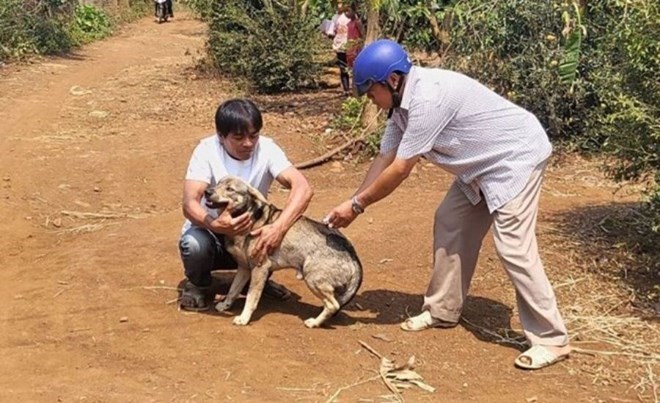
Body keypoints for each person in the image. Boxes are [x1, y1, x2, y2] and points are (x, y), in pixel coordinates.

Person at [324, 39, 571, 370]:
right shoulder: (398, 108)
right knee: (450, 220)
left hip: (515, 157)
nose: (372, 99)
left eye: (371, 92)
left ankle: (552, 339)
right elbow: (385, 157)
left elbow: (400, 169)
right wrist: (351, 201)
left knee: (514, 247)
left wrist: (357, 207)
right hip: (478, 167)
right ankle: (442, 310)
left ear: (392, 81)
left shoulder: (427, 100)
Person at [179, 98, 313, 311]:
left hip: (250, 236)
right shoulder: (206, 151)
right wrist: (215, 225)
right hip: (212, 234)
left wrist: (278, 229)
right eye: (239, 137)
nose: (248, 143)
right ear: (221, 136)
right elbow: (189, 203)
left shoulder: (267, 149)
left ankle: (257, 280)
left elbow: (302, 187)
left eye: (254, 136)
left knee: (277, 230)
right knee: (195, 245)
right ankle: (198, 284)